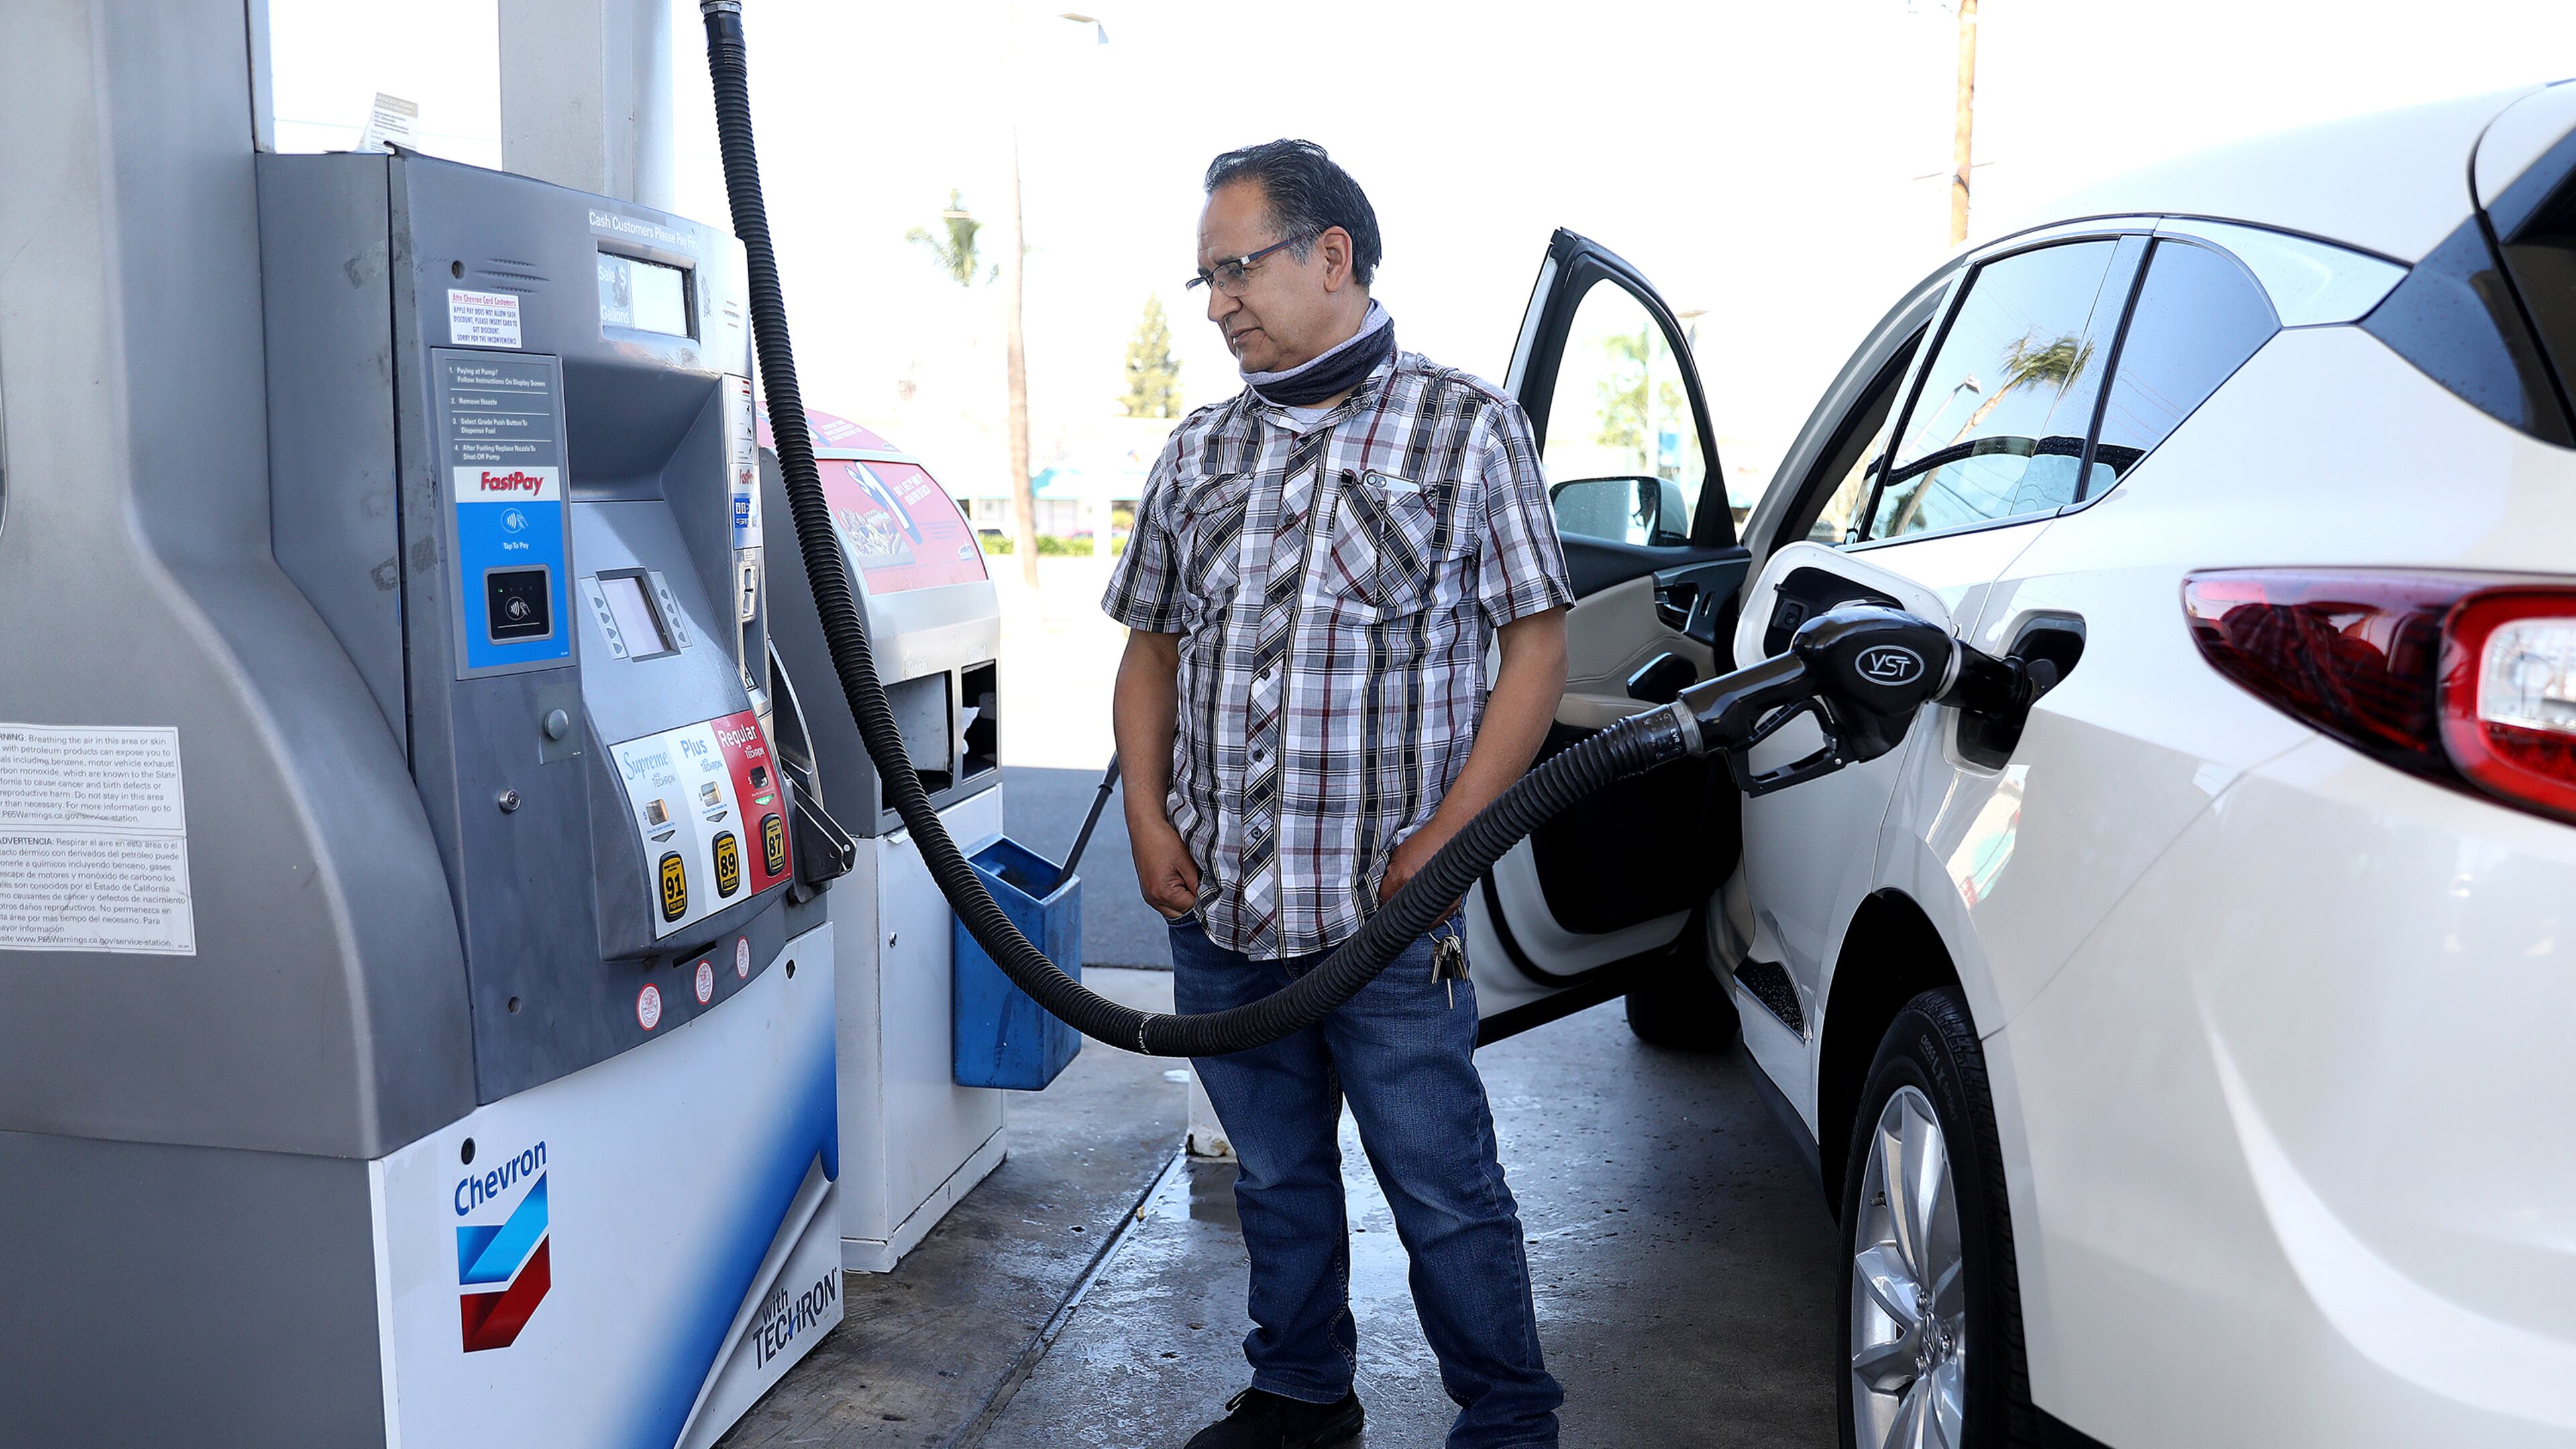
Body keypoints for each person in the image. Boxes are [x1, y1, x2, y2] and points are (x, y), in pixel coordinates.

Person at [1102, 139, 1573, 1449]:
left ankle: (1508, 1422)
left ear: (1332, 256)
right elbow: (1148, 648)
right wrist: (1148, 816)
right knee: (1279, 1179)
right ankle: (1303, 1399)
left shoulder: (1463, 427)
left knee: (1444, 1189)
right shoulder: (1198, 453)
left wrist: (1455, 833)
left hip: (1384, 920)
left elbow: (1539, 645)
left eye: (1237, 268)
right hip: (1222, 918)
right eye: (1203, 281)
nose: (1217, 304)